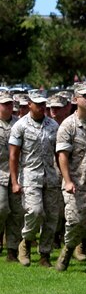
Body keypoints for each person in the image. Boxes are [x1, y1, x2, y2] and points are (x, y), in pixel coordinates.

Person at [9, 90, 61, 267]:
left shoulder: (53, 125)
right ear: (29, 104)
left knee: (52, 218)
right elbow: (14, 156)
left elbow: (59, 153)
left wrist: (64, 176)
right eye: (37, 104)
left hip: (51, 177)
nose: (41, 107)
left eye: (43, 104)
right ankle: (26, 241)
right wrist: (15, 182)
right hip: (30, 177)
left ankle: (45, 255)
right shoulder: (20, 126)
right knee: (35, 212)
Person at [55, 82, 86, 272]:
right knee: (75, 221)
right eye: (85, 96)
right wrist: (67, 180)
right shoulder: (68, 126)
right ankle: (68, 249)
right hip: (76, 184)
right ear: (75, 100)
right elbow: (62, 156)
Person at [0, 90, 23, 262]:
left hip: (17, 173)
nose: (8, 107)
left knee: (17, 212)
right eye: (4, 104)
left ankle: (12, 250)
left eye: (10, 103)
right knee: (1, 209)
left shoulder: (19, 124)